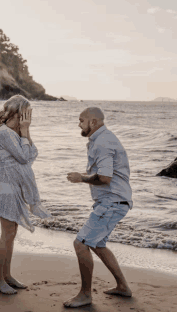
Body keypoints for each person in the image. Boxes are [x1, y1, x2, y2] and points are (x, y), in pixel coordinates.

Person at [64, 107, 133, 308]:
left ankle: (85, 295)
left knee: (81, 244)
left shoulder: (102, 143)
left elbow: (105, 177)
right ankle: (123, 287)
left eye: (81, 120)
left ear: (93, 122)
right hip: (115, 201)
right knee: (97, 244)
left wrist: (81, 178)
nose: (79, 124)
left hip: (112, 202)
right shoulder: (102, 139)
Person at [0, 94, 51, 295]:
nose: (30, 118)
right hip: (6, 186)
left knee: (11, 233)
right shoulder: (5, 133)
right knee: (7, 234)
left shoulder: (15, 133)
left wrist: (25, 131)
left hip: (12, 185)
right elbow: (25, 156)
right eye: (28, 114)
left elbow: (32, 154)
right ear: (19, 113)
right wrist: (25, 130)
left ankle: (7, 276)